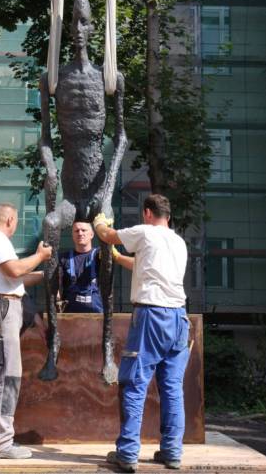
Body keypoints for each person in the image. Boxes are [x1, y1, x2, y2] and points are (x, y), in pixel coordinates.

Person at [39, 0, 127, 383]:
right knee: (48, 226)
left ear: (94, 30)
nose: (78, 28)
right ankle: (53, 344)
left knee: (106, 240)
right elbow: (45, 139)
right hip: (72, 192)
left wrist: (107, 191)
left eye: (85, 23)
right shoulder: (52, 80)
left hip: (96, 190)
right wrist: (50, 171)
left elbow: (122, 138)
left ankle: (108, 343)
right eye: (73, 22)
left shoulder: (109, 79)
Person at [93, 194, 189, 473]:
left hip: (152, 317)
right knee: (172, 389)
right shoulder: (178, 242)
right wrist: (120, 257)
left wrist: (100, 223)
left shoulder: (144, 232)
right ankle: (172, 453)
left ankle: (128, 453)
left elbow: (108, 234)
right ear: (167, 216)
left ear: (148, 213)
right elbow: (146, 266)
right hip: (178, 318)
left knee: (134, 383)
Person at [0, 203, 52, 460]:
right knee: (6, 377)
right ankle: (1, 443)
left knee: (3, 375)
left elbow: (15, 278)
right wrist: (40, 256)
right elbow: (15, 270)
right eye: (16, 222)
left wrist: (42, 272)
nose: (15, 228)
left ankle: (0, 440)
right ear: (9, 220)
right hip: (1, 309)